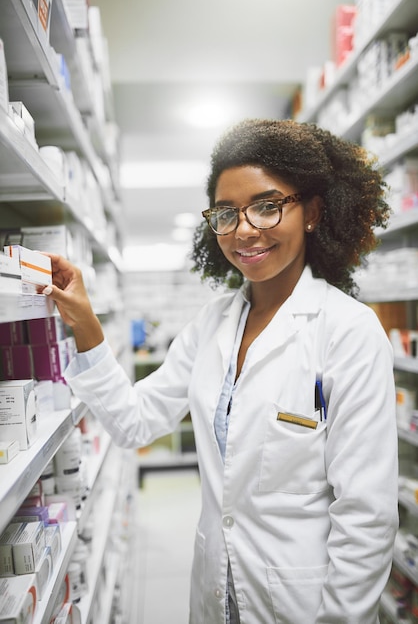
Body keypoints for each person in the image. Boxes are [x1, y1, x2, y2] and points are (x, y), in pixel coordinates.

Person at [43, 119, 398, 624]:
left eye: (268, 206)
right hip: (218, 591)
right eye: (227, 213)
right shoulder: (212, 325)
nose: (245, 230)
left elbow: (367, 516)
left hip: (305, 603)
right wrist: (83, 320)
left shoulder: (349, 332)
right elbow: (133, 422)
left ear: (314, 212)